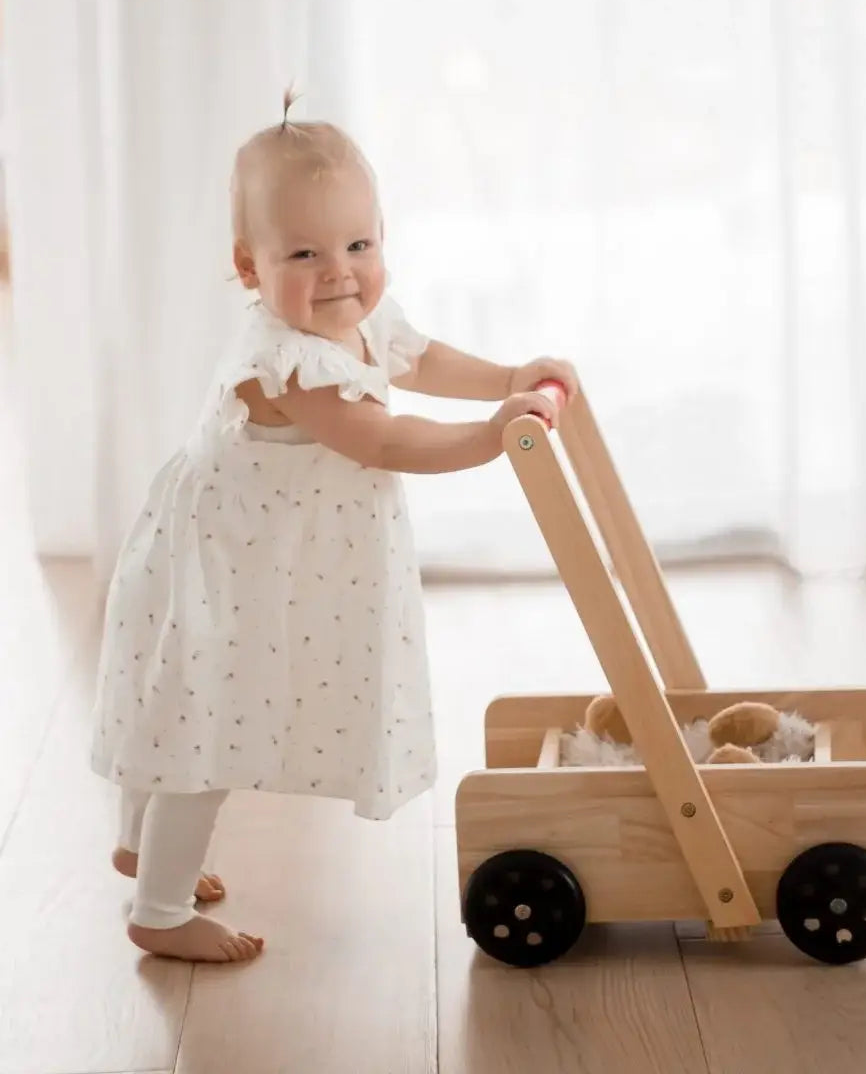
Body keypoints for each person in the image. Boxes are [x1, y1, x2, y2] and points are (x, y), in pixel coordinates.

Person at [91, 94, 576, 962]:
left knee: (174, 702)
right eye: (305, 254)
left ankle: (141, 842)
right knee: (208, 724)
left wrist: (508, 376)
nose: (340, 272)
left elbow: (419, 357)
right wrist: (489, 436)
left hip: (252, 547)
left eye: (359, 245)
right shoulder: (288, 361)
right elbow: (380, 436)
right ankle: (159, 911)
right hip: (232, 564)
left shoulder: (356, 318)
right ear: (250, 265)